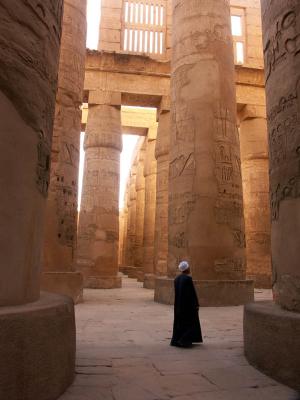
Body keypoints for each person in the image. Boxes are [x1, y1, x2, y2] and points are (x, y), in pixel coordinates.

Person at [170, 261, 203, 348]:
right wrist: (196, 304)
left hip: (178, 305)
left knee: (179, 323)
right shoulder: (188, 279)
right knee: (191, 323)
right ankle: (183, 340)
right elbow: (192, 293)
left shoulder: (176, 279)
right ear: (187, 269)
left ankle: (176, 340)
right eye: (188, 267)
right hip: (187, 306)